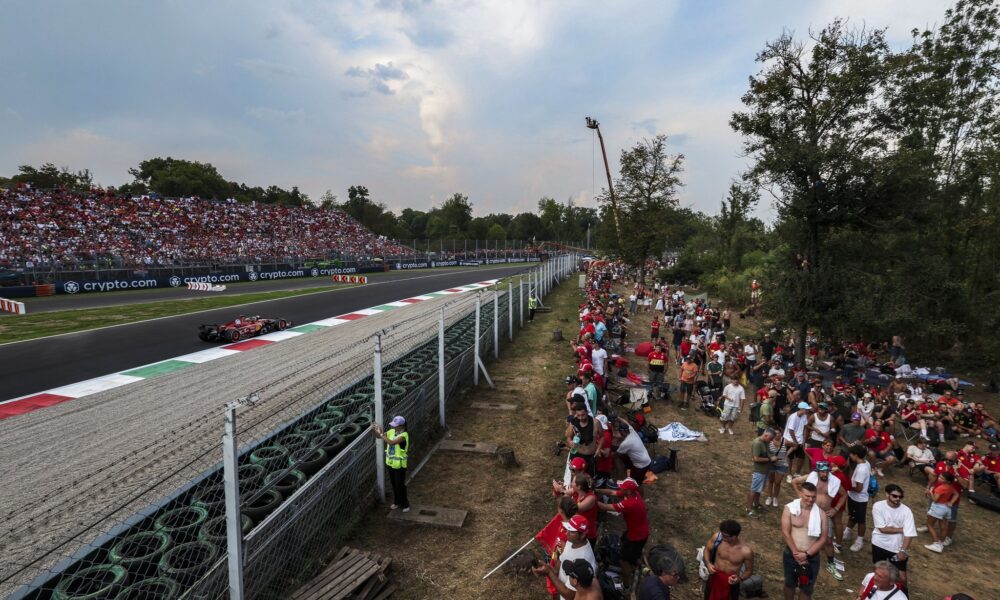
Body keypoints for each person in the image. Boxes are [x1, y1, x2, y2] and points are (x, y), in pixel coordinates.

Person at [791, 462, 844, 581]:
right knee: (804, 535)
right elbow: (794, 481)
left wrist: (835, 509)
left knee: (828, 541)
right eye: (822, 471)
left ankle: (831, 564)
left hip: (824, 513)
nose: (824, 474)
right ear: (818, 471)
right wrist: (800, 494)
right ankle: (800, 557)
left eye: (826, 472)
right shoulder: (811, 476)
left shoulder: (834, 481)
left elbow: (844, 495)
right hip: (809, 510)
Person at [597, 478, 648, 591]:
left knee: (624, 562)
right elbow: (611, 492)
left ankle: (626, 586)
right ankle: (637, 562)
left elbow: (605, 507)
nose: (620, 488)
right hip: (637, 531)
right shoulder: (633, 494)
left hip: (636, 537)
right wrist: (597, 490)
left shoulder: (630, 503)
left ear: (628, 491)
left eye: (623, 487)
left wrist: (590, 498)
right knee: (627, 545)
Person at [781, 482, 828, 600]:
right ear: (801, 493)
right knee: (789, 583)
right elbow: (785, 532)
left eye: (813, 497)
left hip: (811, 556)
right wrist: (796, 554)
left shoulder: (821, 514)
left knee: (807, 588)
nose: (811, 500)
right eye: (807, 496)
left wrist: (806, 554)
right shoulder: (789, 509)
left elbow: (823, 538)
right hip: (791, 554)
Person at [869, 484, 916, 590]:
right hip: (879, 544)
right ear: (887, 495)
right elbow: (882, 529)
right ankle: (877, 592)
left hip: (897, 548)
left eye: (900, 497)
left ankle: (903, 595)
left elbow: (909, 534)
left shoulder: (906, 511)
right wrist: (901, 529)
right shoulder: (878, 506)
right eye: (895, 496)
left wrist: (903, 551)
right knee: (879, 572)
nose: (898, 499)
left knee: (902, 577)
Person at [702, 520, 754, 600]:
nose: (722, 537)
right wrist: (708, 564)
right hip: (714, 576)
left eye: (725, 536)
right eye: (722, 534)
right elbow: (707, 550)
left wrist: (739, 579)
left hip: (731, 583)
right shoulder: (717, 538)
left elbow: (749, 571)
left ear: (734, 536)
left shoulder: (746, 551)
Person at [372, 415, 410, 512]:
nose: (393, 427)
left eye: (395, 425)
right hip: (391, 463)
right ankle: (397, 502)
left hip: (400, 465)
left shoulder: (404, 435)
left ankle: (405, 504)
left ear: (401, 426)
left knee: (400, 484)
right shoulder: (392, 431)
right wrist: (375, 430)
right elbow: (379, 436)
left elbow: (391, 442)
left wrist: (381, 434)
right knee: (394, 484)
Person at [533, 556, 602, 600]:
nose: (568, 577)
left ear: (575, 581)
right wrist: (550, 570)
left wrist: (549, 572)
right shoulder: (591, 580)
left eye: (568, 574)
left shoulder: (590, 597)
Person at [845, 444, 872, 553]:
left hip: (859, 499)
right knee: (852, 515)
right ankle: (847, 531)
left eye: (851, 454)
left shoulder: (861, 470)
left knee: (860, 520)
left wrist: (846, 485)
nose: (850, 456)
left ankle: (859, 541)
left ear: (856, 455)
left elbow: (859, 488)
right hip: (853, 497)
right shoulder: (866, 463)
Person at [923, 472, 958, 553]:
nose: (939, 478)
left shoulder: (940, 488)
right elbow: (956, 494)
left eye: (942, 478)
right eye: (940, 477)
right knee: (943, 527)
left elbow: (935, 499)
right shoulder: (951, 487)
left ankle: (936, 544)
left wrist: (930, 492)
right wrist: (951, 503)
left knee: (929, 524)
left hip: (937, 508)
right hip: (946, 509)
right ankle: (941, 543)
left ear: (948, 481)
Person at [566, 402, 603, 476]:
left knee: (589, 479)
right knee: (574, 477)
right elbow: (568, 436)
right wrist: (570, 442)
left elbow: (602, 436)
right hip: (576, 454)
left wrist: (598, 448)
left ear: (587, 412)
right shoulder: (573, 422)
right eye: (578, 415)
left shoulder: (596, 423)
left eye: (583, 415)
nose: (581, 418)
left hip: (589, 456)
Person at [748, 429, 775, 516]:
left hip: (765, 470)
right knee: (754, 489)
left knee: (759, 489)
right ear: (766, 436)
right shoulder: (757, 443)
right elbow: (756, 459)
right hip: (759, 471)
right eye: (770, 439)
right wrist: (770, 459)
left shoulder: (766, 442)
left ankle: (756, 504)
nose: (771, 441)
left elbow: (767, 453)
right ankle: (748, 508)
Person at [783, 402, 811, 480]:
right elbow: (791, 430)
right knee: (790, 458)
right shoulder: (793, 417)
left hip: (800, 439)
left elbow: (805, 428)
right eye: (806, 409)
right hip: (790, 439)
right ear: (801, 409)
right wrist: (795, 442)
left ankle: (797, 473)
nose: (807, 411)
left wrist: (804, 440)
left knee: (801, 457)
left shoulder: (804, 416)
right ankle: (789, 474)